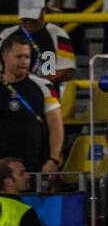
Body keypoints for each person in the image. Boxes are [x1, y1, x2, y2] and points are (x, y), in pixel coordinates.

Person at [0, 33, 62, 178]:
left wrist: (54, 159)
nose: (24, 61)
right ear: (5, 56)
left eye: (27, 57)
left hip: (36, 166)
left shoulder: (44, 86)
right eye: (19, 56)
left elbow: (56, 126)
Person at [0, 0, 74, 95]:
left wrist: (34, 85)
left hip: (46, 96)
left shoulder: (58, 35)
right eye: (25, 18)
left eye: (33, 17)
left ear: (43, 11)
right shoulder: (5, 35)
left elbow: (66, 71)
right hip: (11, 94)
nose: (28, 21)